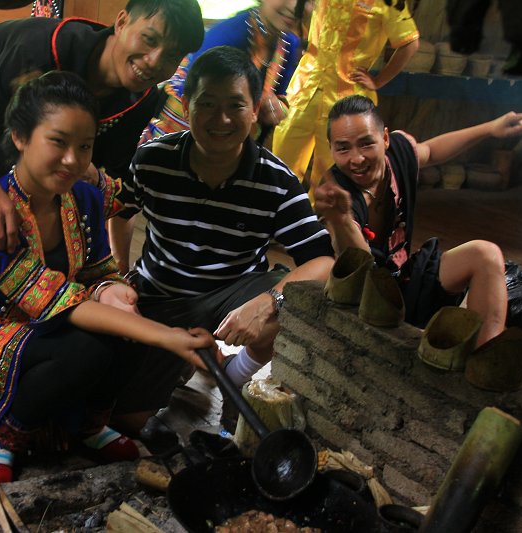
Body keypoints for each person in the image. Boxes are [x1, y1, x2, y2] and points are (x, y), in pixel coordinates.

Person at [0, 72, 215, 481]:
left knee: (131, 324)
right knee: (93, 347)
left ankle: (85, 423)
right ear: (19, 136)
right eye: (58, 141)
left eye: (84, 146)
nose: (73, 159)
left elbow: (99, 270)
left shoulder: (83, 197)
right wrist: (164, 335)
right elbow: (53, 302)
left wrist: (114, 291)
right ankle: (3, 435)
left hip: (49, 328)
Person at [0, 0, 205, 379]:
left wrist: (106, 283)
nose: (153, 61)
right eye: (148, 39)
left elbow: (109, 179)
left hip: (46, 163)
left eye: (170, 56)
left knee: (53, 248)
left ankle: (34, 360)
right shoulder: (39, 49)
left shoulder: (143, 98)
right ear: (121, 22)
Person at [111, 46, 351, 435]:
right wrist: (120, 273)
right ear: (186, 105)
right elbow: (120, 213)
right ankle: (198, 361)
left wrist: (267, 303)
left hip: (234, 291)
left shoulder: (274, 179)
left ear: (255, 109)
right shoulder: (152, 161)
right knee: (130, 421)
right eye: (207, 103)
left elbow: (322, 261)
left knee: (294, 301)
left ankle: (236, 379)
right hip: (162, 296)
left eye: (235, 105)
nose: (221, 119)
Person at [315, 94, 522, 346]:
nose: (356, 158)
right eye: (343, 148)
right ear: (331, 148)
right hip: (368, 300)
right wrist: (341, 219)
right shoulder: (337, 196)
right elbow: (360, 265)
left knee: (486, 254)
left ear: (385, 138)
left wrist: (490, 128)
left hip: (406, 279)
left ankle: (484, 355)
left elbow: (431, 151)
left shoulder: (397, 155)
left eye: (366, 144)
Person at [272, 0, 420, 204]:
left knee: (331, 178)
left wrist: (378, 80)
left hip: (345, 105)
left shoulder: (389, 2)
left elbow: (409, 43)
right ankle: (276, 221)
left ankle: (321, 230)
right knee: (281, 164)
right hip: (303, 91)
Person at [139, 0, 306, 145]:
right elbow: (201, 107)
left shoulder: (289, 43)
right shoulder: (226, 37)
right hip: (184, 138)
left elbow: (283, 98)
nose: (294, 7)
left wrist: (277, 108)